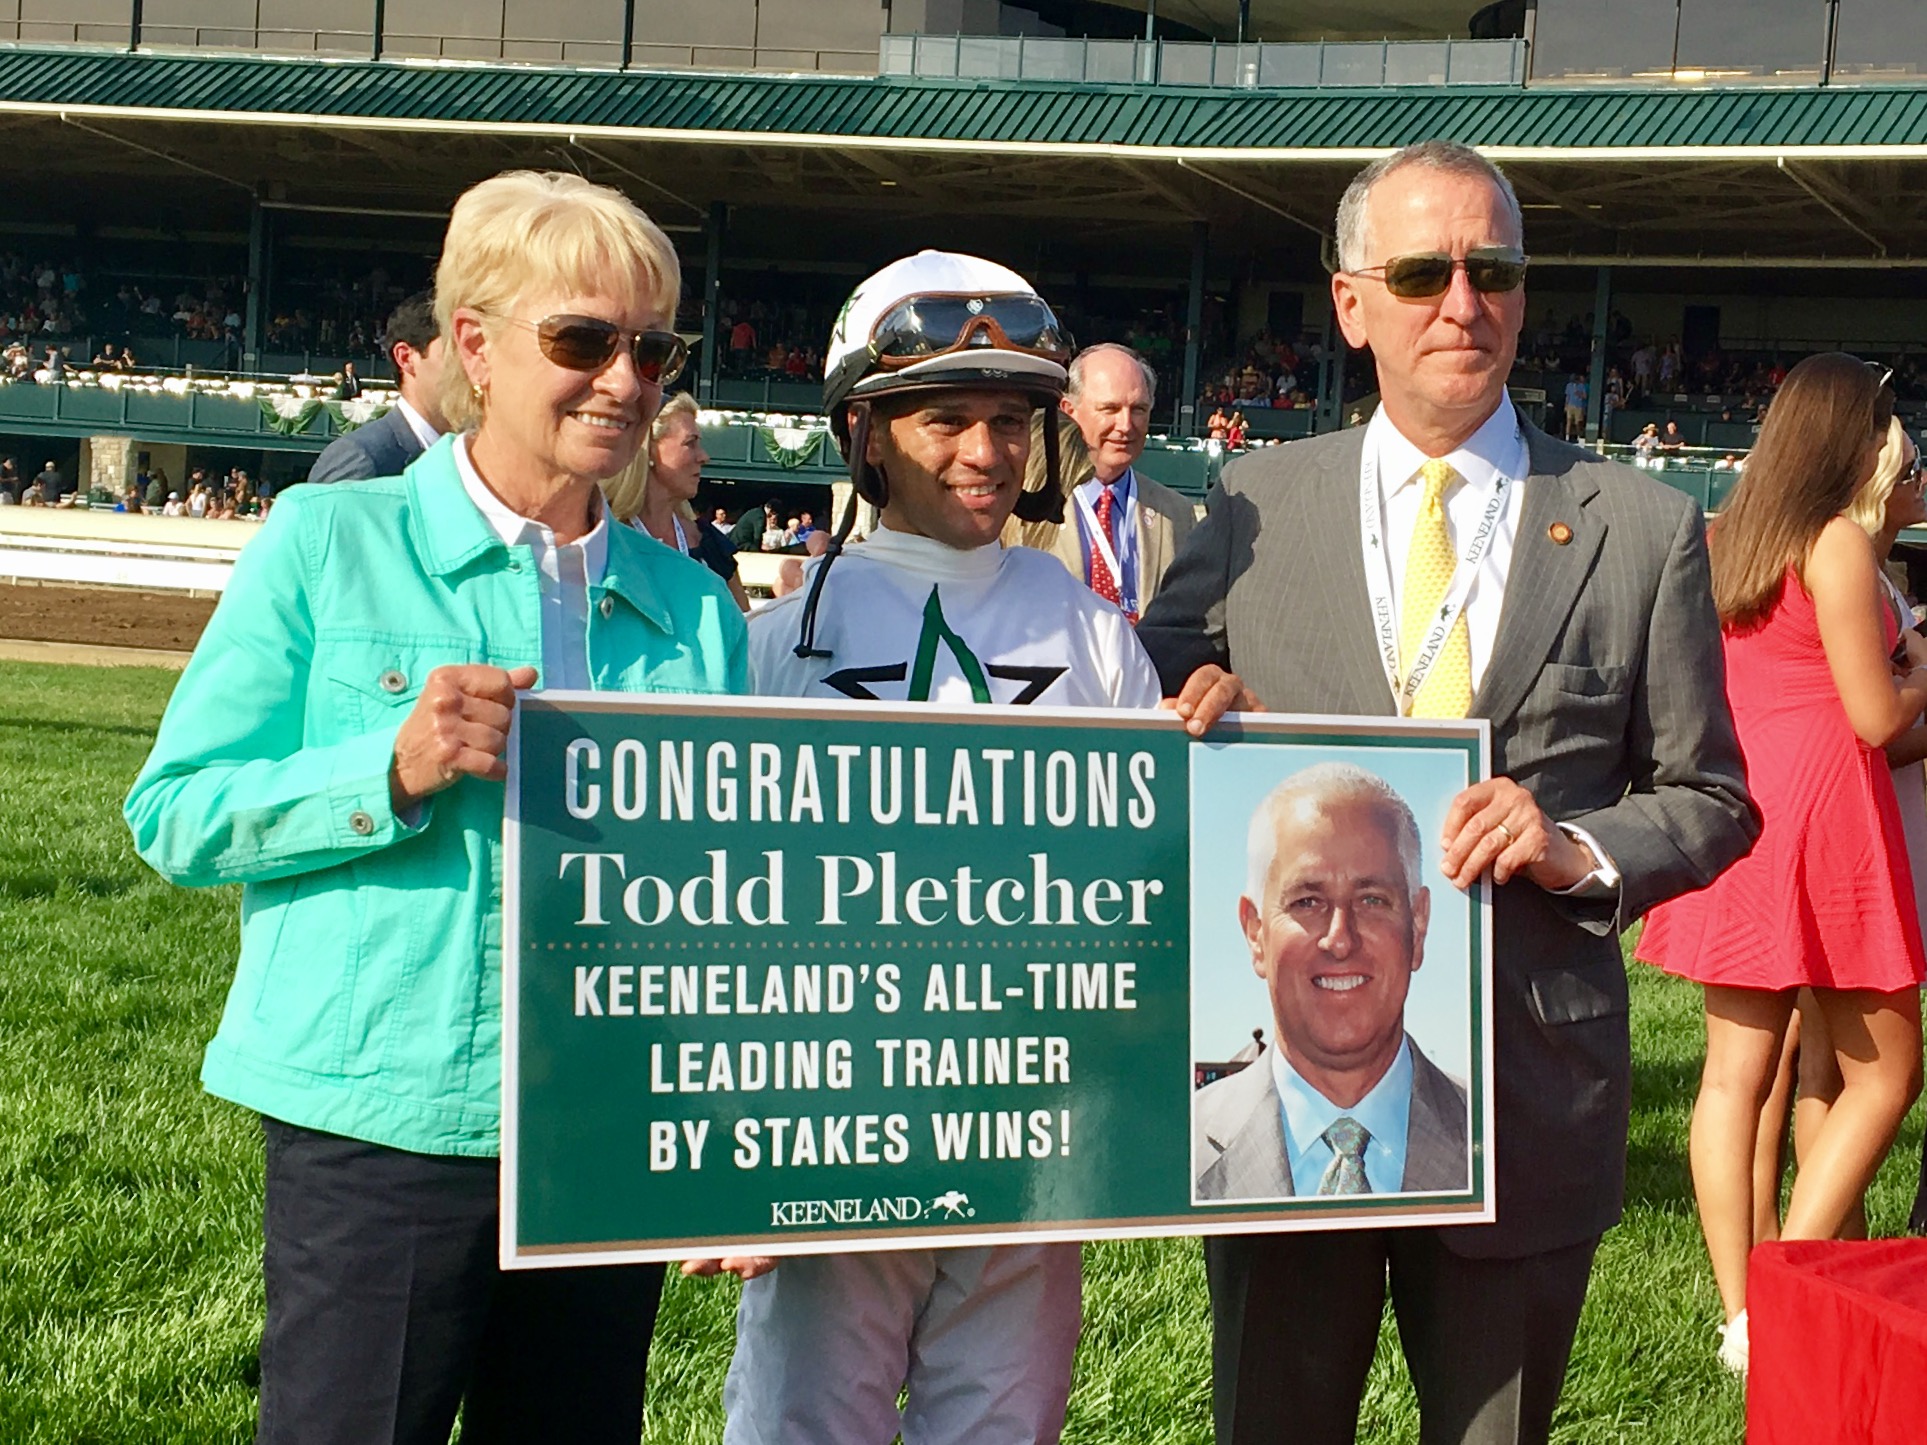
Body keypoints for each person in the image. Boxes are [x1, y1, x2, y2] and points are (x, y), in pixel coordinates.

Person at [1136, 139, 1755, 1445]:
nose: (1460, 301)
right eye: (1421, 271)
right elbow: (1159, 711)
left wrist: (1572, 845)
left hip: (1523, 1101)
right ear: (1352, 301)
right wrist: (1187, 710)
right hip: (1280, 1106)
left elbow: (1708, 792)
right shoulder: (1250, 501)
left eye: (1494, 268)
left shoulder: (1636, 526)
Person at [122, 169, 748, 1445]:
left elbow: (724, 898)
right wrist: (386, 768)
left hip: (597, 1132)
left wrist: (726, 1133)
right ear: (474, 342)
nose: (623, 380)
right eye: (580, 339)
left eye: (651, 347)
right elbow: (176, 811)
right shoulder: (321, 538)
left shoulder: (694, 610)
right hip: (379, 1127)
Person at [708, 248, 1247, 1445]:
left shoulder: (1090, 631)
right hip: (832, 1116)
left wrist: (1203, 749)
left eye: (1009, 419)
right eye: (945, 418)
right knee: (806, 1420)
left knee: (1005, 1422)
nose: (987, 451)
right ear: (863, 433)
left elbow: (1145, 883)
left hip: (1034, 1119)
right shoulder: (775, 638)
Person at [1636, 358, 1927, 1375]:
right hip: (1824, 812)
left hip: (1734, 806)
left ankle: (1740, 1311)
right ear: (1847, 435)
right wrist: (1922, 674)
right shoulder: (1836, 541)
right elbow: (1874, 716)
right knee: (1888, 1070)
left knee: (1730, 1075)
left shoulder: (1728, 537)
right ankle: (1785, 1288)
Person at [1193, 764, 1470, 1202]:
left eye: (1372, 899)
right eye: (1307, 902)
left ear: (1418, 926)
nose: (1340, 939)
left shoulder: (1500, 1138)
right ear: (1255, 933)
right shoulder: (1178, 1147)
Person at [1023, 342, 1196, 622]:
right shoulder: (1026, 505)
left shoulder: (1177, 514)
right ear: (1068, 410)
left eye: (1139, 409)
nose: (1126, 425)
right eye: (1110, 409)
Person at [602, 390, 750, 611]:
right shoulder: (603, 541)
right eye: (690, 443)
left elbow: (744, 630)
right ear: (649, 449)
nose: (704, 457)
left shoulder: (709, 544)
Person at [308, 291, 450, 483]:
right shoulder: (360, 458)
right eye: (456, 351)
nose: (477, 365)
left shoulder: (477, 457)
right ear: (406, 358)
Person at [1563, 373, 1587, 442]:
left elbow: (1585, 396)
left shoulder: (1582, 386)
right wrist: (1566, 405)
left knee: (1577, 422)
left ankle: (1578, 436)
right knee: (1569, 421)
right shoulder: (1569, 385)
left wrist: (1579, 394)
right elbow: (1567, 396)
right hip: (1570, 405)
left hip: (1578, 406)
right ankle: (1567, 437)